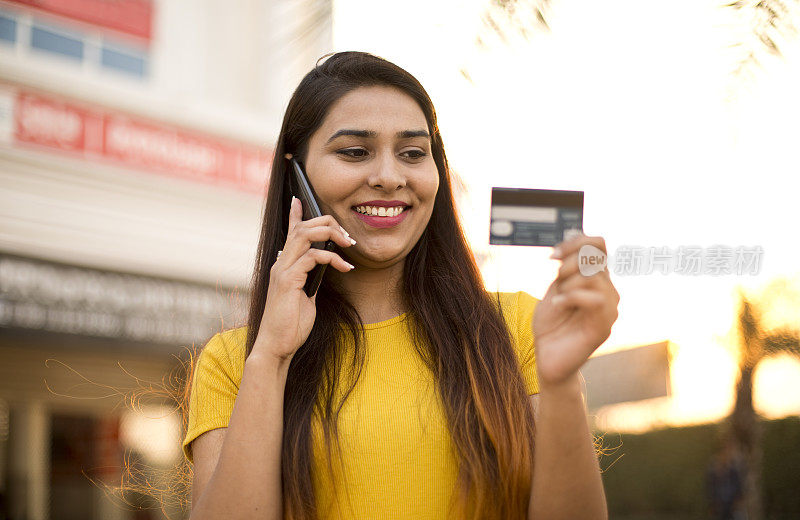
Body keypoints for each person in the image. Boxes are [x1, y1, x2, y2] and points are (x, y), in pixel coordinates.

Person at [182, 51, 619, 520]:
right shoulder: (235, 362)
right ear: (297, 174)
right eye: (354, 152)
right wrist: (270, 357)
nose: (390, 177)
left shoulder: (521, 327)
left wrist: (560, 383)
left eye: (413, 153)